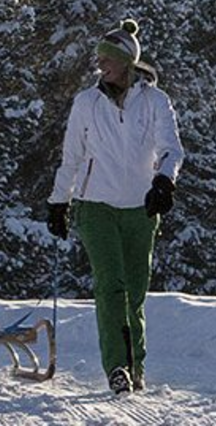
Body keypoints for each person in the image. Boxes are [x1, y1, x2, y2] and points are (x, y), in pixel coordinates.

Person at [47, 19, 183, 394]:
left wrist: (164, 180)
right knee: (111, 287)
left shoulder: (155, 101)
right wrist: (59, 202)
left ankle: (136, 365)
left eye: (107, 58)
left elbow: (171, 147)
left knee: (135, 290)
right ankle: (117, 367)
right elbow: (71, 157)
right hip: (96, 207)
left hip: (141, 208)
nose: (100, 64)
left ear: (127, 62)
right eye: (99, 58)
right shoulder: (86, 103)